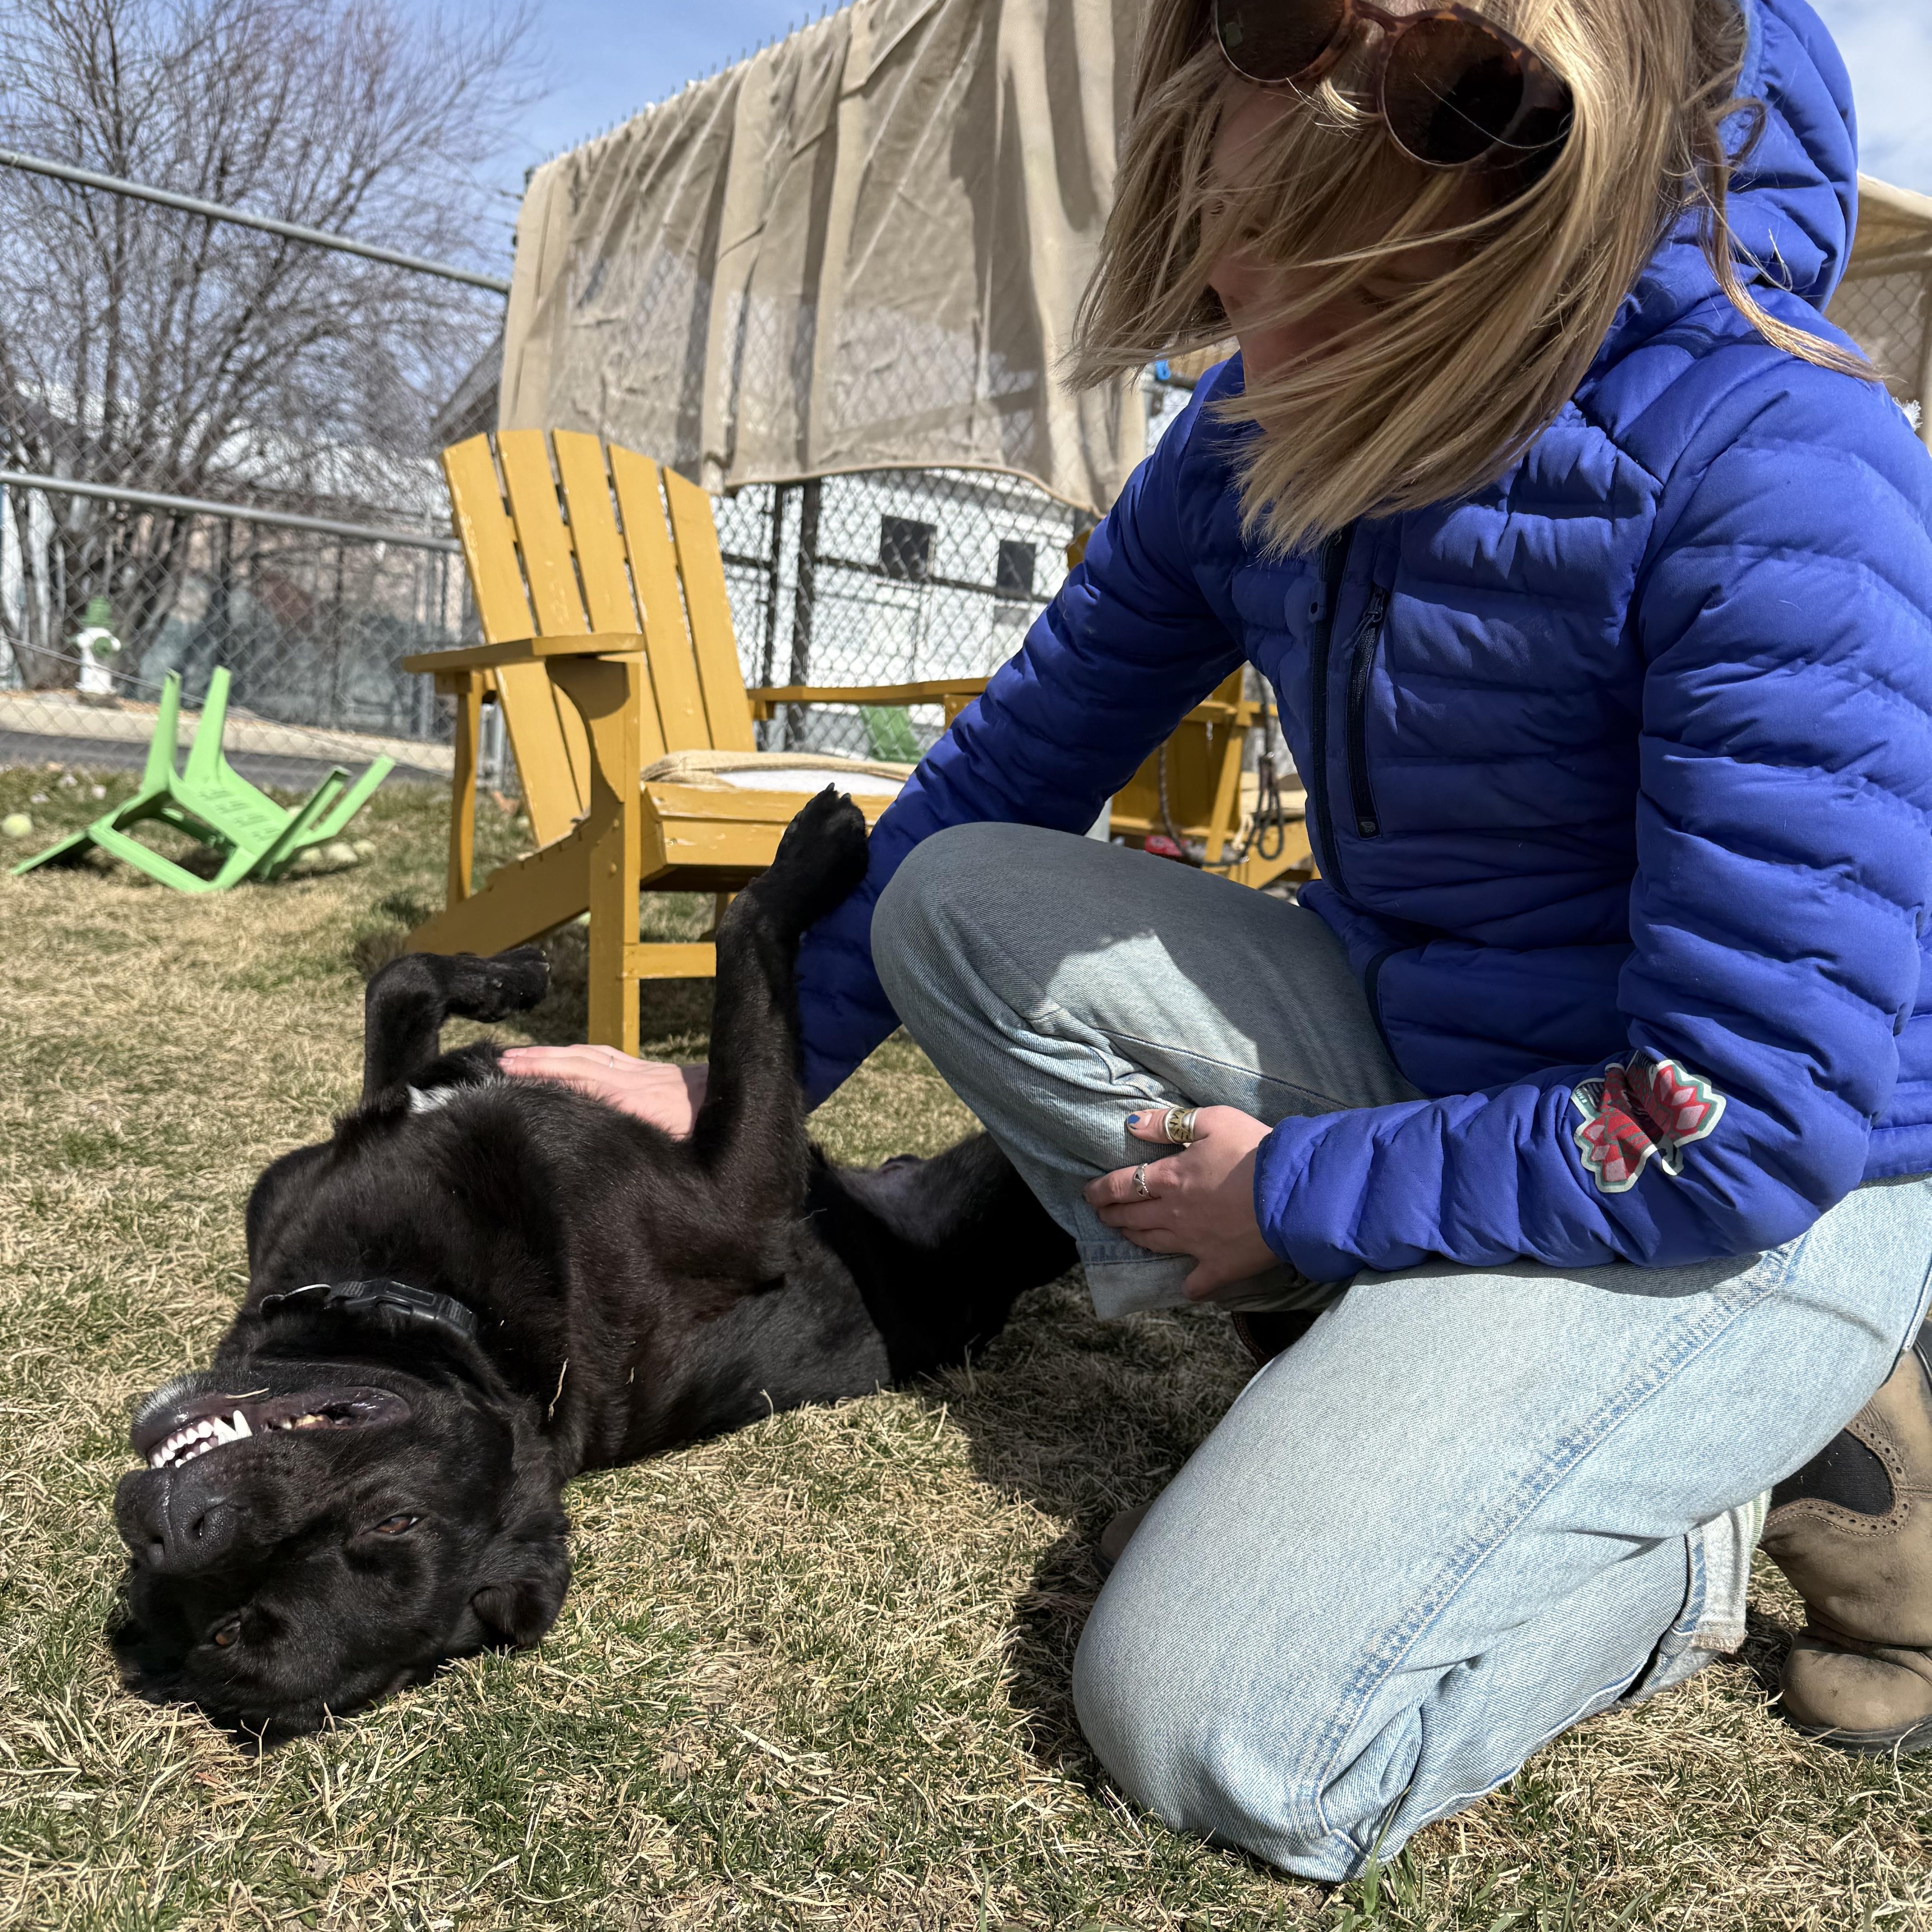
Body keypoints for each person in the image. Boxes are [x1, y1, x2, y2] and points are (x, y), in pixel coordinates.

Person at [504, 0, 1932, 1881]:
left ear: (1529, 228)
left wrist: (1301, 1196)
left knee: (1211, 1721)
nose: (1256, 353)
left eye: (1343, 288)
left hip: (1741, 1180)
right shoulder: (1260, 418)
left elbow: (1738, 1109)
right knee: (959, 897)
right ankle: (1415, 1394)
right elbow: (1009, 769)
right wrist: (727, 1108)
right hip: (1438, 1055)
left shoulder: (1781, 463)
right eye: (1229, 266)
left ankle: (1695, 1540)